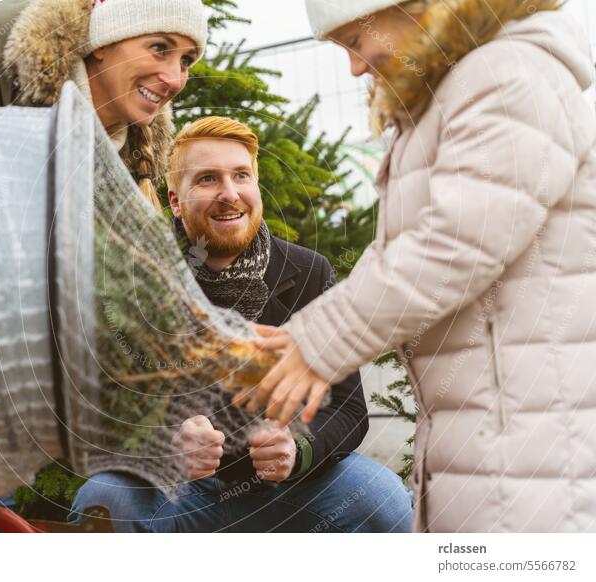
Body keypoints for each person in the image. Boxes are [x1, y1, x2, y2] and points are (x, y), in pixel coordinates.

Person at [238, 0, 596, 532]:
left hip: (529, 444)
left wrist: (317, 343)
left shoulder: (508, 73)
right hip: (490, 430)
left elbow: (456, 241)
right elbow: (409, 251)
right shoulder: (455, 90)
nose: (357, 67)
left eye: (355, 42)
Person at [68, 117, 414, 532]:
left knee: (382, 498)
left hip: (290, 491)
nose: (229, 194)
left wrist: (299, 449)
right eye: (208, 180)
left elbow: (348, 406)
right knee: (104, 500)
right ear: (176, 201)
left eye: (241, 176)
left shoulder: (306, 271)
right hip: (179, 495)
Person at [0, 0, 208, 209]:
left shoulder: (134, 162)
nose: (175, 79)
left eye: (186, 61)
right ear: (103, 43)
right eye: (159, 47)